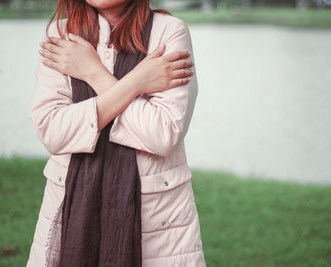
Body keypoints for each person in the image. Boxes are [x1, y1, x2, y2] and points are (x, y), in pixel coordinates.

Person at [26, 0, 206, 266]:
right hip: (71, 207)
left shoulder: (168, 32)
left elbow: (163, 133)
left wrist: (92, 72)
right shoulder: (61, 36)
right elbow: (53, 131)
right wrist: (137, 82)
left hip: (156, 220)